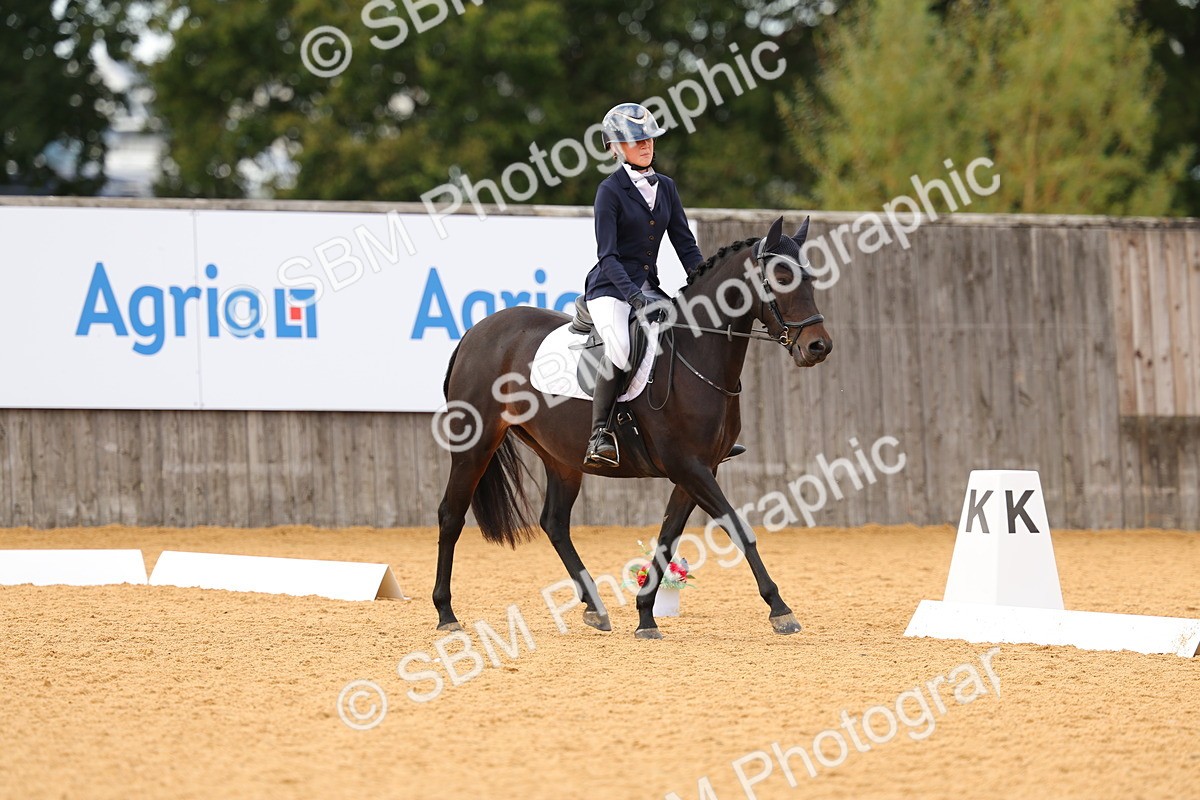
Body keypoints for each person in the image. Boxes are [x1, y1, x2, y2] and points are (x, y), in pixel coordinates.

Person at [582, 102, 705, 467]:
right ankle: (599, 435)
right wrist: (635, 298)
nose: (646, 145)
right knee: (620, 348)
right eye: (636, 140)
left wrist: (706, 281)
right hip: (610, 288)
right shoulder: (609, 191)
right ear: (616, 147)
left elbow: (685, 245)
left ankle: (701, 433)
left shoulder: (666, 187)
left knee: (686, 336)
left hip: (648, 286)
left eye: (648, 138)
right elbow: (608, 256)